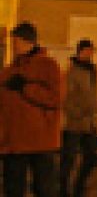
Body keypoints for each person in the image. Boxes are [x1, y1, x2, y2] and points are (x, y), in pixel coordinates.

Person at [0, 22, 61, 197]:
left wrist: (26, 88)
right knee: (13, 189)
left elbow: (54, 99)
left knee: (44, 189)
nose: (13, 46)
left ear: (28, 41)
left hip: (40, 142)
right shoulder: (10, 70)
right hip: (14, 143)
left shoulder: (48, 65)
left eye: (16, 42)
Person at [61, 39, 97, 197]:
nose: (91, 54)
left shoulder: (92, 70)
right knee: (68, 159)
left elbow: (91, 93)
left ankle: (79, 187)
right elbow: (65, 97)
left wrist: (94, 111)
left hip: (89, 122)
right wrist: (76, 113)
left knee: (91, 156)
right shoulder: (72, 70)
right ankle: (62, 189)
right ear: (81, 51)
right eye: (88, 51)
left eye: (92, 51)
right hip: (74, 122)